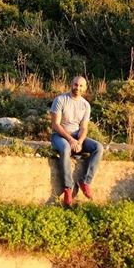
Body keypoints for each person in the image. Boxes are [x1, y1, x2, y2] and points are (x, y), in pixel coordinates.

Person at [50, 75, 103, 206]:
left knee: (98, 147)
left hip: (76, 137)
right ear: (71, 84)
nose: (77, 88)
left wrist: (79, 141)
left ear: (85, 88)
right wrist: (71, 140)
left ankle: (85, 182)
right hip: (60, 136)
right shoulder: (60, 100)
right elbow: (55, 125)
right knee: (66, 148)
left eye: (80, 86)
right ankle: (68, 188)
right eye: (75, 85)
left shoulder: (85, 105)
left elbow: (84, 127)